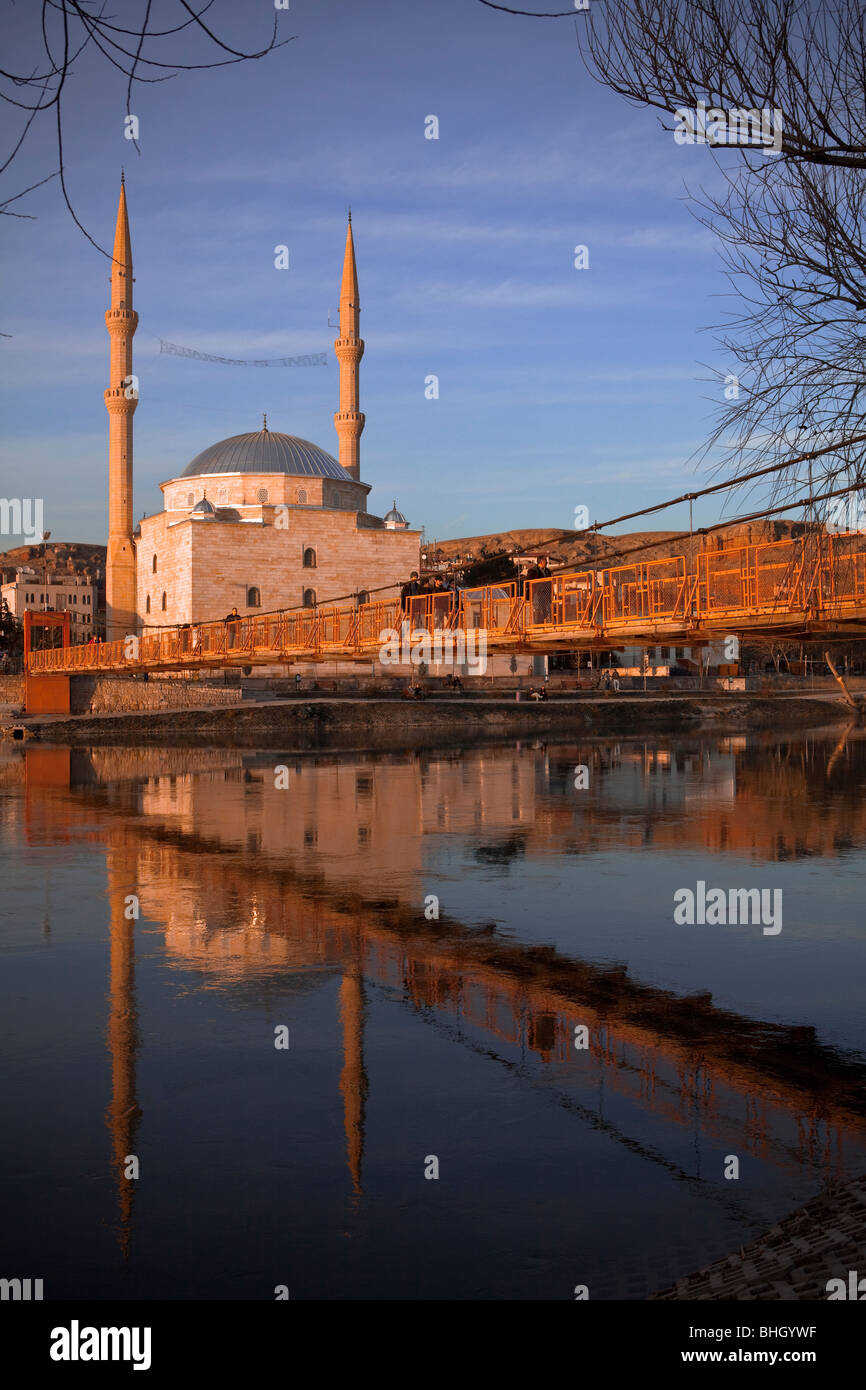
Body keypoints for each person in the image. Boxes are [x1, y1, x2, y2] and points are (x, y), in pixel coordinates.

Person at [526, 555, 553, 623]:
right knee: (537, 608)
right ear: (541, 561)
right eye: (545, 560)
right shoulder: (533, 571)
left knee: (547, 608)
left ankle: (549, 623)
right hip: (536, 594)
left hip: (546, 593)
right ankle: (537, 624)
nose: (546, 562)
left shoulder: (547, 571)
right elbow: (528, 583)